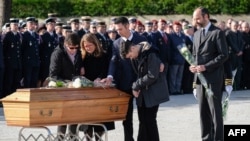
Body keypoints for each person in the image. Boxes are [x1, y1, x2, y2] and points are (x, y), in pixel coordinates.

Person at [101, 16, 147, 141]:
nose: (118, 32)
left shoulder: (141, 39)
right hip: (125, 83)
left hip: (141, 83)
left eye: (120, 29)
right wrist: (110, 76)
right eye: (116, 30)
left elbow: (152, 54)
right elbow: (114, 61)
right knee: (127, 118)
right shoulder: (116, 43)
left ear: (127, 26)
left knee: (144, 117)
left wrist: (160, 63)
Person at [190, 7, 228, 141]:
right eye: (194, 19)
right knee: (203, 112)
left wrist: (206, 67)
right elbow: (195, 56)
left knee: (215, 112)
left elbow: (224, 55)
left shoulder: (217, 33)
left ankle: (218, 138)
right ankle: (206, 138)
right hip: (200, 80)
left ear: (206, 16)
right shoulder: (196, 34)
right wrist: (193, 68)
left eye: (197, 18)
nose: (195, 21)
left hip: (213, 79)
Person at [120, 41, 169, 141]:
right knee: (143, 121)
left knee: (150, 122)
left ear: (133, 48)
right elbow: (137, 74)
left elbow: (152, 75)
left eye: (130, 55)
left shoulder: (150, 53)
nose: (131, 58)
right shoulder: (136, 55)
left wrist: (135, 86)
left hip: (153, 93)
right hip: (142, 94)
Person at [80, 33, 114, 141]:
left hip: (100, 89)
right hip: (86, 91)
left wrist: (100, 78)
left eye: (90, 45)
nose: (88, 48)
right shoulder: (82, 56)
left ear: (95, 44)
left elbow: (106, 69)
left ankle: (99, 138)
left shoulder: (103, 55)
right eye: (86, 46)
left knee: (100, 119)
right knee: (87, 121)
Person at [49, 33, 84, 140]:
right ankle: (60, 138)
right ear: (65, 44)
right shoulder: (58, 53)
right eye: (71, 48)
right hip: (63, 89)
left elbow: (77, 67)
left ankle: (73, 138)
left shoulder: (78, 52)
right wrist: (66, 83)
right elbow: (53, 75)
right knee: (63, 118)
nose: (74, 50)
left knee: (75, 116)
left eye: (76, 48)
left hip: (75, 90)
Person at [2, 18, 22, 96]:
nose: (16, 26)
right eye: (14, 25)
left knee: (16, 82)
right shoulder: (7, 36)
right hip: (10, 63)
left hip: (17, 63)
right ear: (10, 25)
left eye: (17, 25)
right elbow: (4, 50)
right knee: (8, 82)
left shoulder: (18, 36)